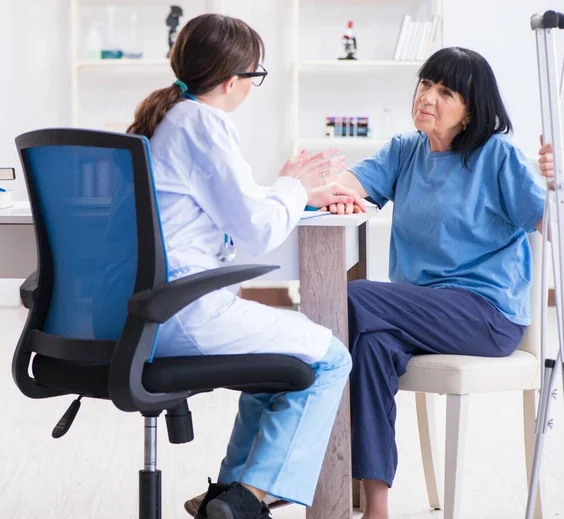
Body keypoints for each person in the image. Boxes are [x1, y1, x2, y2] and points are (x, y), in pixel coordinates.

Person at [320, 47, 564, 519]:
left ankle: (289, 460)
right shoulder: (405, 150)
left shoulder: (495, 155)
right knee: (372, 347)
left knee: (351, 297)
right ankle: (375, 508)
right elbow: (351, 185)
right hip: (420, 313)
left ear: (471, 111)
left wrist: (560, 181)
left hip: (484, 316)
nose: (427, 98)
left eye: (445, 92)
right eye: (425, 84)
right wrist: (337, 195)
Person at [126, 13, 366, 519]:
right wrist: (291, 182)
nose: (255, 88)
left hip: (141, 315)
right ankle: (251, 500)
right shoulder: (206, 123)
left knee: (276, 365)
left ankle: (229, 495)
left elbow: (221, 205)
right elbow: (257, 231)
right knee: (331, 358)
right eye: (257, 77)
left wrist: (297, 194)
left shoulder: (169, 119)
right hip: (182, 313)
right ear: (234, 79)